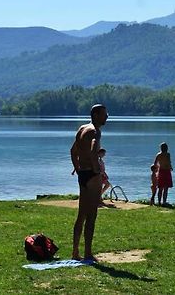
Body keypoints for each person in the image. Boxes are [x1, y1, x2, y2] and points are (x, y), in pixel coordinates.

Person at [70, 104, 108, 261]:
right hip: (92, 175)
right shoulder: (95, 131)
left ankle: (75, 252)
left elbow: (73, 151)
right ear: (96, 115)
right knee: (91, 215)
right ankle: (87, 253)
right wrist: (97, 170)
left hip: (83, 173)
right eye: (104, 114)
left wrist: (78, 169)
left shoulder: (82, 128)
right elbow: (93, 151)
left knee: (81, 215)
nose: (107, 117)